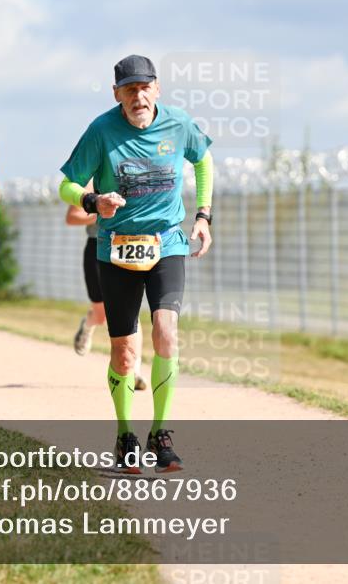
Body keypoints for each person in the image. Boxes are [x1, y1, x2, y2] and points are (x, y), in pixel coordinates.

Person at [59, 54, 214, 474]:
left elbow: (202, 159)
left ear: (157, 88)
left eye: (144, 88)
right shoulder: (101, 130)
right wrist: (92, 200)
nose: (138, 96)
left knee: (166, 331)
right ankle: (125, 433)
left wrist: (203, 215)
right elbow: (66, 183)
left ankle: (160, 434)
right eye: (129, 90)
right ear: (117, 95)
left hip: (166, 243)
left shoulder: (179, 123)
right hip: (116, 249)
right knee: (125, 354)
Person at [67, 179, 147, 391]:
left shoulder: (135, 174)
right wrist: (100, 210)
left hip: (128, 246)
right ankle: (88, 324)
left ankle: (135, 370)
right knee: (102, 314)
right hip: (97, 246)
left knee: (130, 312)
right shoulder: (91, 182)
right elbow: (72, 217)